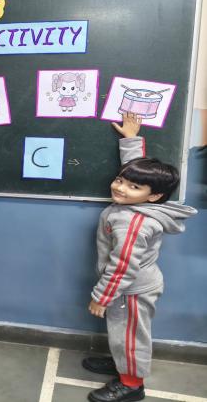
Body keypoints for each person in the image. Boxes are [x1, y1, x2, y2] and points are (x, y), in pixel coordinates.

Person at [84, 112, 197, 402]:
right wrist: (131, 140)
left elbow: (122, 266)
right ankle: (121, 363)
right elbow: (135, 174)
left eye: (133, 187)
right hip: (129, 288)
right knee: (122, 333)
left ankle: (132, 385)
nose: (121, 187)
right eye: (120, 180)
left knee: (131, 337)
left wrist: (102, 297)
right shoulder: (140, 204)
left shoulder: (132, 223)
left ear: (154, 196)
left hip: (130, 289)